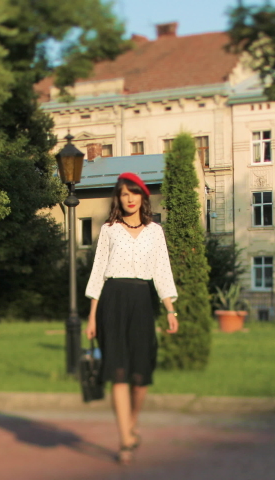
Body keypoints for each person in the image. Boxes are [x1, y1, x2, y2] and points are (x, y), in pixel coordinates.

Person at [84, 172, 178, 466]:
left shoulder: (155, 231)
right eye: (124, 194)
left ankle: (132, 422)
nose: (129, 199)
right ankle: (125, 439)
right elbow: (99, 271)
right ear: (118, 198)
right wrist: (92, 317)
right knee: (119, 373)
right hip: (111, 301)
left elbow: (162, 270)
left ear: (143, 197)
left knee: (140, 376)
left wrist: (170, 309)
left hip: (141, 301)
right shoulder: (109, 229)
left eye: (134, 193)